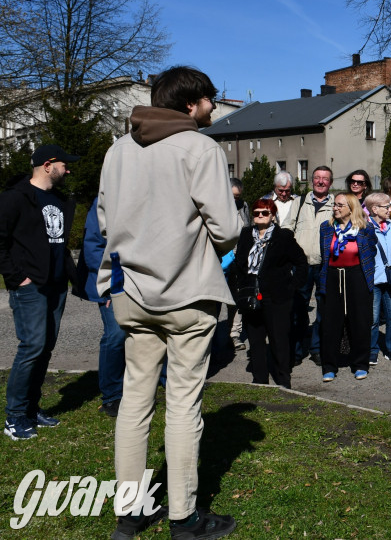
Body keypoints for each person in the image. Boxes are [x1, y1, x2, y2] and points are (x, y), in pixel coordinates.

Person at [98, 65, 241, 537]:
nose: (214, 108)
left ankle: (129, 511)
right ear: (189, 104)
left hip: (132, 292)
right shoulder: (199, 147)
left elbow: (104, 220)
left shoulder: (118, 150)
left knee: (135, 400)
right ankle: (184, 516)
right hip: (185, 292)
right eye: (209, 100)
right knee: (183, 404)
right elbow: (226, 227)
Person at [1, 144, 79, 441]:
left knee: (44, 348)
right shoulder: (14, 199)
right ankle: (15, 416)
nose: (68, 170)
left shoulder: (59, 200)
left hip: (56, 285)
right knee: (31, 347)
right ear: (48, 165)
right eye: (64, 164)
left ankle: (32, 410)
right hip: (30, 286)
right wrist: (17, 277)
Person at [230, 199, 307, 389]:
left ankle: (283, 378)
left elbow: (301, 263)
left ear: (272, 216)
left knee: (279, 339)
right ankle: (260, 380)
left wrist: (292, 286)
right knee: (255, 341)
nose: (260, 216)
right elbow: (240, 263)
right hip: (251, 295)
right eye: (256, 213)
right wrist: (240, 286)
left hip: (278, 296)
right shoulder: (246, 235)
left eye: (264, 213)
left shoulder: (283, 237)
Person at [318, 192, 376, 381]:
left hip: (357, 276)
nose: (335, 208)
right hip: (333, 277)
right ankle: (329, 366)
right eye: (334, 205)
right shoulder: (326, 228)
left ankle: (360, 364)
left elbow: (371, 251)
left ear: (351, 209)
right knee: (330, 323)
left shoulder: (365, 229)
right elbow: (324, 255)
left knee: (359, 321)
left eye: (340, 205)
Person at [77, 198, 124, 418]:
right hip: (113, 283)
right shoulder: (103, 201)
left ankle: (163, 380)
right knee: (116, 334)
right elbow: (93, 247)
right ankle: (112, 395)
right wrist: (109, 286)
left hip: (143, 282)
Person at [289, 166, 335, 366]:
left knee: (324, 310)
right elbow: (286, 230)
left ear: (330, 183)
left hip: (326, 265)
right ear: (311, 180)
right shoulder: (299, 203)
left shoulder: (336, 205)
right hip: (302, 266)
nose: (320, 181)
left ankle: (316, 348)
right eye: (317, 177)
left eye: (325, 178)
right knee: (298, 309)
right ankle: (297, 350)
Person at [364, 192, 391, 364]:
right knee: (373, 318)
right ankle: (372, 349)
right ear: (374, 209)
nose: (390, 209)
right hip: (374, 279)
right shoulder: (365, 228)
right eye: (386, 206)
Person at [226, 178, 250, 351]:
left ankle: (234, 334)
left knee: (236, 298)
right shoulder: (215, 207)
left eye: (238, 197)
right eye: (233, 196)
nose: (235, 200)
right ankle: (213, 336)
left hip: (238, 258)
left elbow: (247, 228)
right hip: (220, 260)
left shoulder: (243, 206)